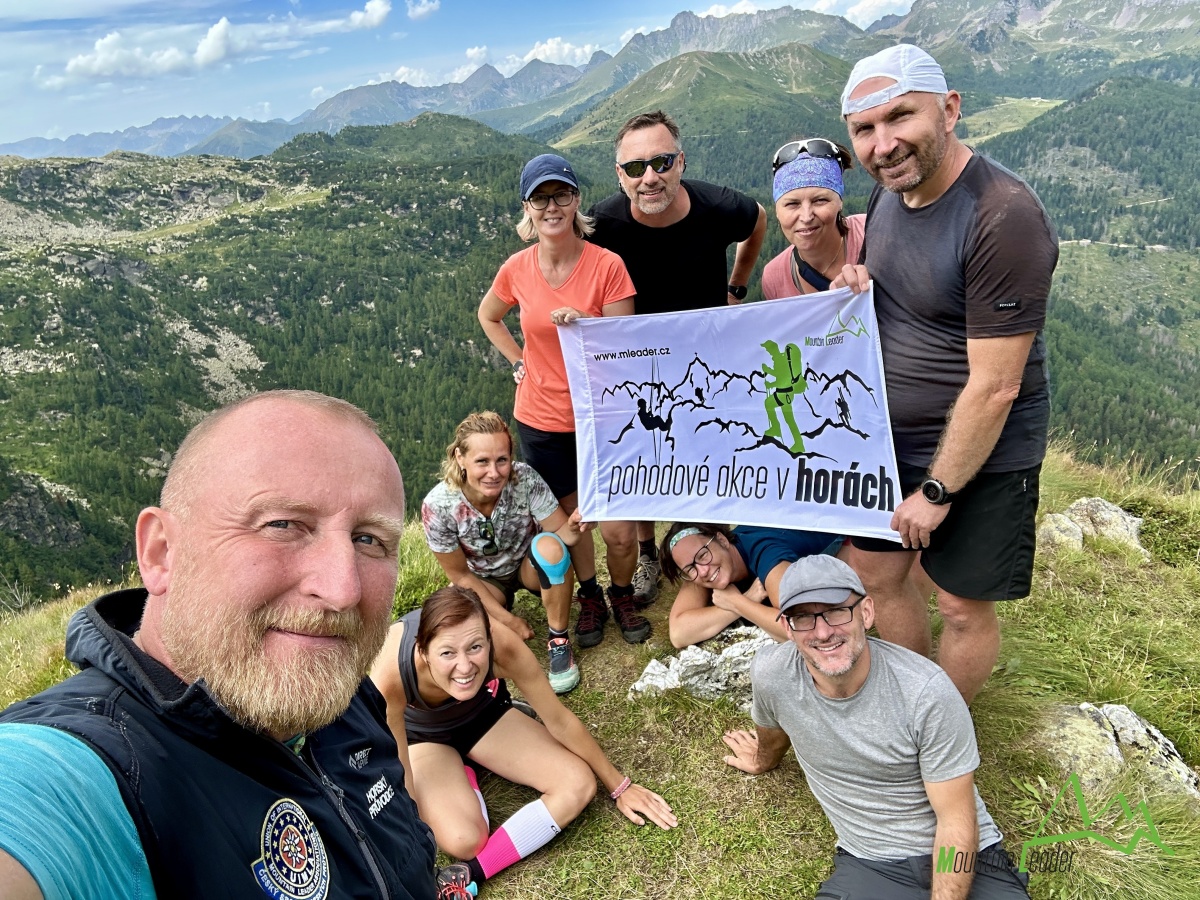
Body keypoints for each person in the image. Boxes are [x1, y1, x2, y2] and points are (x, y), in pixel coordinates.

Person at [0, 391, 437, 900]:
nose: (343, 591)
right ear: (162, 553)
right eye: (281, 525)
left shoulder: (342, 689)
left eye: (369, 539)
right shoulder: (90, 772)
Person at [837, 44, 1059, 702]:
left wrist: (937, 492)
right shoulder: (890, 195)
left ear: (950, 109)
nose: (883, 144)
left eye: (900, 116)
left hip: (983, 452)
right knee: (878, 575)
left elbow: (996, 385)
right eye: (865, 129)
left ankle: (942, 730)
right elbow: (909, 291)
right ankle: (911, 702)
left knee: (962, 606)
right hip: (888, 441)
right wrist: (859, 284)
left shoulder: (1002, 215)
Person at [722, 554, 1031, 900]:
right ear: (787, 627)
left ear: (867, 613)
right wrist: (762, 760)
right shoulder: (772, 675)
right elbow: (774, 731)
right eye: (803, 617)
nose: (823, 632)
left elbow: (955, 819)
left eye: (837, 611)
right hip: (871, 862)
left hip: (964, 854)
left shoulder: (926, 692)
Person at [371, 585, 677, 898]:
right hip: (421, 738)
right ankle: (462, 769)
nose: (464, 666)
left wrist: (619, 786)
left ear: (489, 638)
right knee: (464, 840)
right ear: (423, 651)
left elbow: (559, 720)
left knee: (578, 783)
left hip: (483, 717)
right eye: (447, 653)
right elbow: (399, 769)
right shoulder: (391, 671)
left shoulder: (505, 646)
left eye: (475, 647)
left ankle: (471, 871)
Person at [588, 110, 768, 608]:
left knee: (709, 446)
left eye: (662, 162)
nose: (650, 177)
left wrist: (736, 287)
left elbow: (758, 220)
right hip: (638, 361)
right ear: (620, 175)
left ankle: (711, 545)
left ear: (681, 161)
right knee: (644, 452)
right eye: (635, 167)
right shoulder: (602, 223)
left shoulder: (717, 206)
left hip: (705, 358)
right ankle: (648, 552)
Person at [478, 153, 649, 649]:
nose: (551, 207)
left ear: (576, 201)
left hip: (604, 418)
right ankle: (590, 595)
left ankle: (621, 593)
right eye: (540, 198)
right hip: (542, 421)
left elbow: (626, 347)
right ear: (526, 208)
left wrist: (588, 327)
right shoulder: (516, 268)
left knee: (618, 531)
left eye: (561, 195)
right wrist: (518, 360)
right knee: (574, 524)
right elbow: (489, 316)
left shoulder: (607, 266)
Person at [423, 411, 595, 694]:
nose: (494, 473)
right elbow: (460, 574)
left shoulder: (524, 479)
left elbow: (560, 532)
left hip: (528, 565)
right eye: (482, 461)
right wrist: (508, 621)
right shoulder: (438, 505)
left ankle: (559, 640)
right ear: (459, 457)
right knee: (457, 606)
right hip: (483, 579)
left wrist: (576, 527)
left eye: (502, 460)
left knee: (551, 547)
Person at [658, 521, 844, 647]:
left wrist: (737, 603)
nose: (703, 571)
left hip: (838, 532)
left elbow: (800, 627)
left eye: (703, 555)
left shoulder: (766, 554)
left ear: (722, 540)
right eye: (690, 569)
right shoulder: (703, 566)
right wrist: (748, 598)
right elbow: (679, 633)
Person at [761, 138, 866, 300]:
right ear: (777, 211)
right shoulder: (774, 278)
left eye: (820, 200)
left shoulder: (873, 233)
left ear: (840, 202)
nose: (806, 216)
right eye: (792, 204)